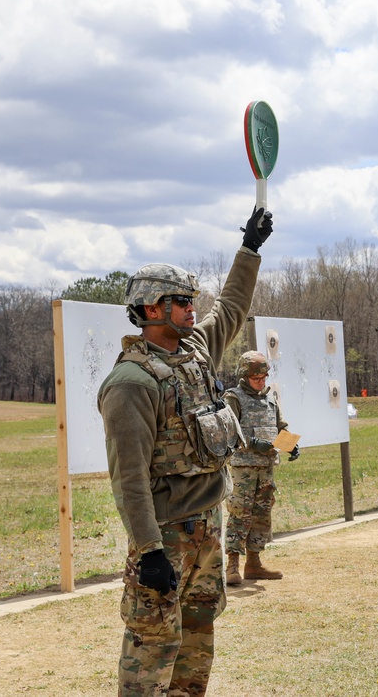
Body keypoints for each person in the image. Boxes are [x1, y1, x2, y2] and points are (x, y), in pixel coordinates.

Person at [97, 206, 272, 696]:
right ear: (152, 309)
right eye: (181, 301)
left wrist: (249, 250)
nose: (192, 308)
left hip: (207, 525)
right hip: (167, 535)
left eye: (192, 300)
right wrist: (150, 550)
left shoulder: (194, 353)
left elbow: (232, 308)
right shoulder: (131, 383)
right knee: (153, 644)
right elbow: (128, 479)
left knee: (197, 640)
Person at [224, 351, 298, 586]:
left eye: (264, 377)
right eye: (256, 378)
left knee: (262, 513)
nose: (261, 382)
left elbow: (279, 426)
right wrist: (253, 443)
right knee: (239, 512)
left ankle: (254, 563)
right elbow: (229, 431)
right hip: (243, 468)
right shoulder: (233, 398)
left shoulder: (270, 399)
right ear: (245, 376)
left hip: (266, 467)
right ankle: (232, 564)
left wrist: (291, 445)